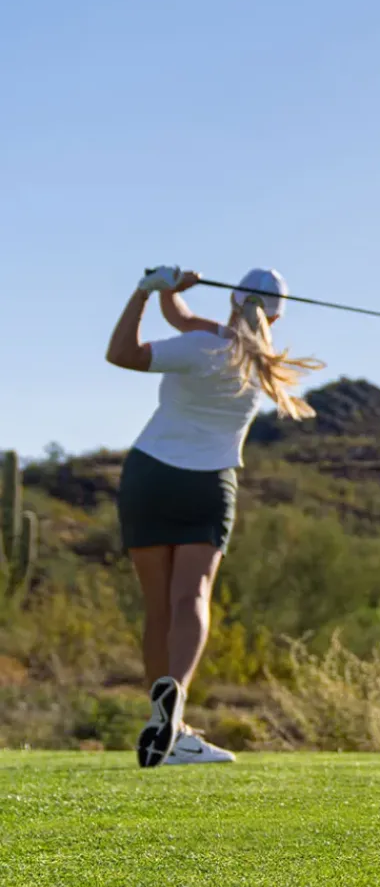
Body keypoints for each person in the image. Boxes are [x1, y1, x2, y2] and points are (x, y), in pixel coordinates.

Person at [105, 266, 324, 767]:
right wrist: (171, 294)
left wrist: (144, 291)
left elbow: (122, 354)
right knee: (192, 596)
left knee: (157, 607)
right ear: (275, 317)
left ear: (232, 300)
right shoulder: (262, 363)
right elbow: (185, 319)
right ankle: (175, 696)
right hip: (208, 485)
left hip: (150, 475)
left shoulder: (199, 348)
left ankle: (168, 726)